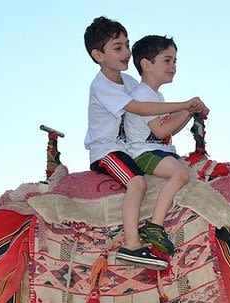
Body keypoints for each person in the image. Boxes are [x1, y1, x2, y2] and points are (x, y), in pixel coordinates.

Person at [84, 16, 206, 270]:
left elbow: (152, 109)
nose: (126, 52)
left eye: (127, 45)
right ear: (98, 55)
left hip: (126, 147)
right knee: (137, 182)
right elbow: (140, 108)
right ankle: (131, 244)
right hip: (107, 149)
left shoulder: (128, 82)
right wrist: (184, 104)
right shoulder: (102, 86)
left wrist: (187, 109)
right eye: (118, 48)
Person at [124, 35, 208, 256]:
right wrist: (188, 109)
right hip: (143, 152)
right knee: (181, 174)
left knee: (182, 172)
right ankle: (155, 225)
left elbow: (168, 129)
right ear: (146, 64)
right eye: (167, 60)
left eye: (175, 61)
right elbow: (161, 131)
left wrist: (190, 111)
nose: (173, 66)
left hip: (155, 148)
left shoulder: (155, 95)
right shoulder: (142, 94)